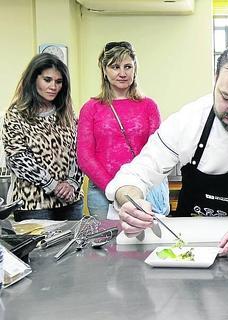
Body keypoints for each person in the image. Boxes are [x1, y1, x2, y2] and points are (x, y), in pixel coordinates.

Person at [105, 41, 228, 255]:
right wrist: (132, 203)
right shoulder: (188, 120)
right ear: (215, 80)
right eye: (226, 97)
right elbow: (136, 174)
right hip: (187, 247)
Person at [77, 41, 162, 219]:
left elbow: (157, 152)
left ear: (135, 69)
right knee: (106, 245)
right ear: (104, 70)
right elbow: (85, 157)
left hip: (141, 190)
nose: (122, 73)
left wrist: (132, 189)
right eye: (115, 67)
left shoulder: (148, 106)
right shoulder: (91, 107)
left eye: (128, 66)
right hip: (102, 193)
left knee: (145, 243)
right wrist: (115, 189)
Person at [2, 53, 83, 221]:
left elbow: (81, 151)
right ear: (33, 79)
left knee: (76, 247)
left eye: (59, 82)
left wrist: (72, 184)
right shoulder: (16, 114)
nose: (53, 86)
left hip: (71, 202)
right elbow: (18, 158)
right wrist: (54, 186)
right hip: (34, 205)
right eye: (47, 80)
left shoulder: (67, 113)